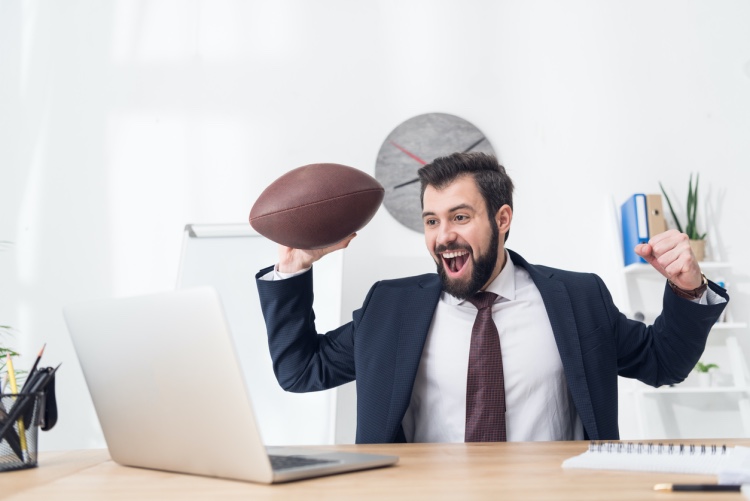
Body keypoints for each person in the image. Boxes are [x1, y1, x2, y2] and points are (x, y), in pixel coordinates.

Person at [256, 152, 728, 444]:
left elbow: (663, 363)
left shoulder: (578, 298)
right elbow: (300, 371)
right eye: (431, 221)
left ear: (502, 219)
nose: (443, 236)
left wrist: (687, 288)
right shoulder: (390, 308)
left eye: (459, 217)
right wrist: (293, 268)